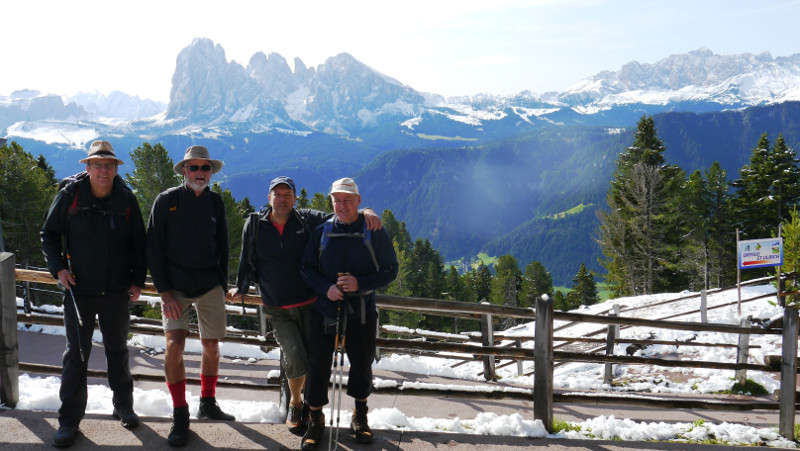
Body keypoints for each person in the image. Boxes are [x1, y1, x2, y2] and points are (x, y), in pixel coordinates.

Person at [228, 176, 382, 436]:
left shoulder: (307, 219)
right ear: (269, 198)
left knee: (313, 359)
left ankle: (312, 413)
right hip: (276, 306)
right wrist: (240, 287)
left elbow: (342, 214)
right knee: (295, 356)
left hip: (310, 303)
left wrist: (365, 211)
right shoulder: (254, 225)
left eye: (287, 194)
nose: (282, 199)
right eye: (277, 194)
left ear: (295, 199)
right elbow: (246, 258)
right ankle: (295, 403)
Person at [41, 140, 146, 448]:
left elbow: (139, 244)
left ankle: (123, 407)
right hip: (78, 291)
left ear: (116, 169)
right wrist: (58, 268)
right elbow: (48, 235)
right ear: (86, 167)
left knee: (118, 351)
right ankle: (69, 422)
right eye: (98, 165)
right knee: (76, 355)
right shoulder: (70, 195)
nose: (104, 170)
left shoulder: (126, 199)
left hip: (116, 291)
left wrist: (137, 281)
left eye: (109, 165)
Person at [299, 177, 398, 450]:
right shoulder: (321, 232)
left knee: (362, 363)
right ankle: (315, 419)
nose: (342, 205)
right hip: (325, 308)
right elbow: (306, 268)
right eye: (337, 200)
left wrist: (361, 284)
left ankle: (360, 416)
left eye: (347, 200)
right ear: (331, 202)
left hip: (361, 311)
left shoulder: (374, 231)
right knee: (317, 364)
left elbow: (391, 269)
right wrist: (326, 288)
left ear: (359, 200)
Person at [146, 145, 234, 447]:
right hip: (175, 288)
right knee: (174, 347)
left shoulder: (216, 203)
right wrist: (165, 292)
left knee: (211, 346)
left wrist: (222, 284)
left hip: (209, 285)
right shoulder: (166, 201)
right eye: (194, 167)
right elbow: (153, 249)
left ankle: (207, 402)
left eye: (205, 168)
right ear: (184, 170)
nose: (199, 173)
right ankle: (180, 413)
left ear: (211, 172)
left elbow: (223, 246)